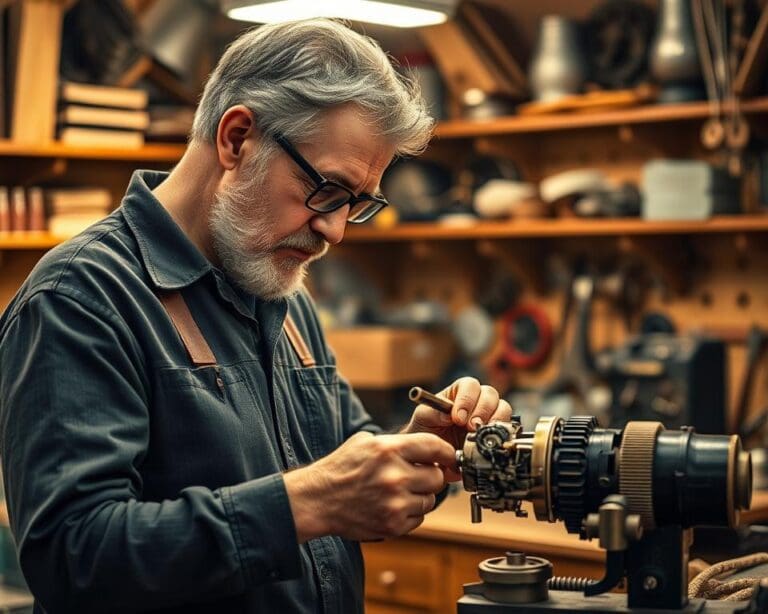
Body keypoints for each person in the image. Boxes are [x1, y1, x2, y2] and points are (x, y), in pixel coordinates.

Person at [0, 19, 512, 614]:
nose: (336, 230)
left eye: (358, 204)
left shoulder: (283, 293)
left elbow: (335, 467)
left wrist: (409, 451)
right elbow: (74, 558)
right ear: (238, 138)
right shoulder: (80, 298)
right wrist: (305, 504)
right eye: (325, 189)